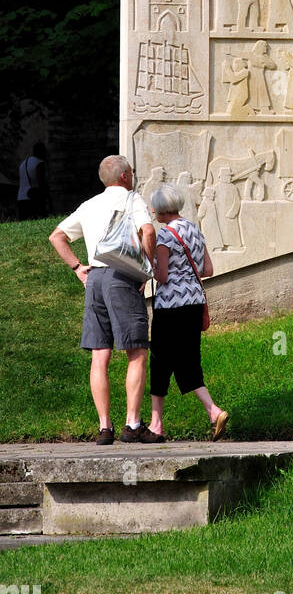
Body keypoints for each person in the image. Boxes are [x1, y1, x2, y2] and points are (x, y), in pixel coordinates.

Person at [48, 155, 159, 445]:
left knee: (100, 355)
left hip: (94, 278)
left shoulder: (89, 205)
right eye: (131, 172)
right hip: (122, 277)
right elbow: (148, 231)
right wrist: (147, 268)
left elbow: (57, 236)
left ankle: (104, 428)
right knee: (136, 351)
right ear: (124, 176)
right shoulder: (132, 199)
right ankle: (133, 425)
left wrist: (77, 268)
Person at [147, 184, 228, 441]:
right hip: (193, 303)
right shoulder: (195, 229)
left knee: (160, 359)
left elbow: (162, 276)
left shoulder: (165, 235)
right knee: (188, 358)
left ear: (160, 210)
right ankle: (212, 411)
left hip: (171, 306)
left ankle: (156, 425)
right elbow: (208, 269)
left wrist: (149, 262)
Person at [17, 141, 48, 219]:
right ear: (41, 152)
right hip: (33, 199)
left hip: (21, 198)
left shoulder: (23, 164)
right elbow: (41, 183)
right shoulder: (39, 163)